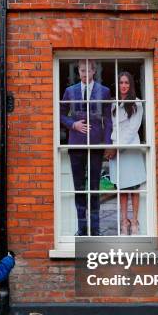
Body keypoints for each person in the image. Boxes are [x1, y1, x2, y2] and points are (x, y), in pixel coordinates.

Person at [60, 60, 112, 236]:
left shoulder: (104, 91)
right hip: (76, 144)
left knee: (95, 187)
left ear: (93, 71)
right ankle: (82, 228)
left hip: (96, 144)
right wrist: (73, 124)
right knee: (79, 187)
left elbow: (108, 120)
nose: (85, 74)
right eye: (82, 71)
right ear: (78, 71)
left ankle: (96, 229)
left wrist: (108, 144)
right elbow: (59, 113)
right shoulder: (70, 91)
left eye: (88, 71)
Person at [104, 72, 146, 235]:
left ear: (131, 85)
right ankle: (124, 222)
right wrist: (110, 146)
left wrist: (116, 147)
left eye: (127, 83)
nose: (124, 86)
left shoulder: (137, 103)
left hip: (130, 149)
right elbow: (111, 127)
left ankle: (134, 221)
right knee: (122, 188)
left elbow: (132, 129)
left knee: (134, 188)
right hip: (116, 149)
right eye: (121, 82)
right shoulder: (113, 104)